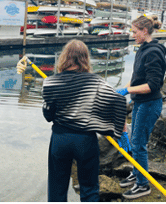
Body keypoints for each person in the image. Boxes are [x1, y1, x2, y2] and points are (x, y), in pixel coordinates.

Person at [42, 40, 126, 202]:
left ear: (64, 57)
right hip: (85, 140)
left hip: (60, 139)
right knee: (89, 188)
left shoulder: (51, 82)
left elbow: (48, 116)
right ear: (85, 58)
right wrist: (119, 131)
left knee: (56, 189)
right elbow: (117, 101)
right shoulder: (95, 81)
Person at [115, 16, 166, 199]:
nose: (132, 34)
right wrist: (128, 92)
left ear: (144, 31)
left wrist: (127, 90)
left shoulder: (153, 52)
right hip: (140, 102)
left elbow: (153, 85)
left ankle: (143, 184)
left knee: (139, 144)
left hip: (150, 103)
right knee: (134, 140)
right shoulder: (143, 49)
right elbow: (137, 77)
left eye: (135, 31)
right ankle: (137, 173)